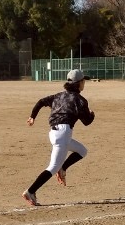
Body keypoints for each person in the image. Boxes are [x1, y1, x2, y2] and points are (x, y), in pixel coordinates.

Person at [22, 68, 95, 206]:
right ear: (79, 83)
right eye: (83, 81)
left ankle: (63, 168)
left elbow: (41, 102)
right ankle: (30, 191)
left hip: (54, 133)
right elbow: (87, 122)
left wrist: (32, 116)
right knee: (53, 167)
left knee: (82, 151)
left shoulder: (58, 96)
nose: (84, 83)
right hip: (63, 134)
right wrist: (92, 114)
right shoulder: (80, 100)